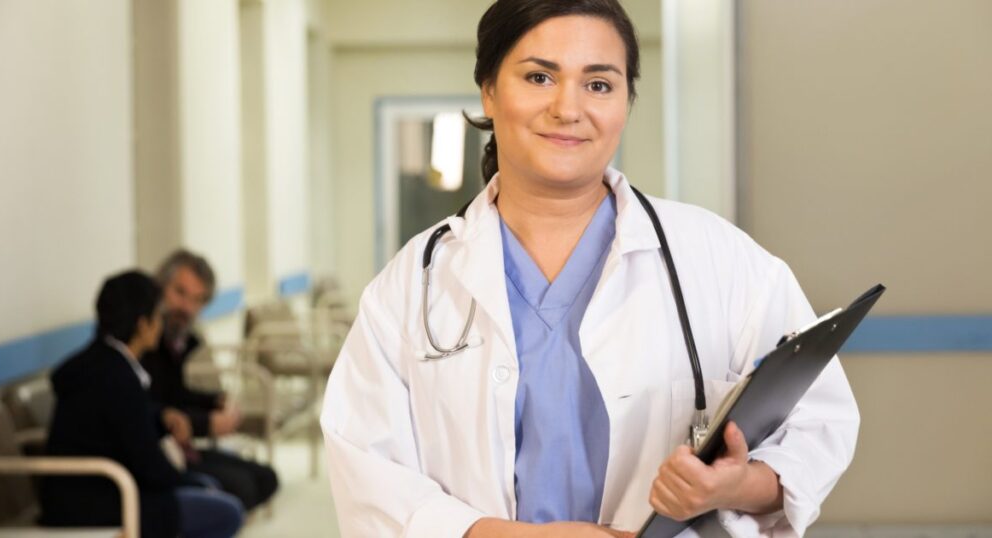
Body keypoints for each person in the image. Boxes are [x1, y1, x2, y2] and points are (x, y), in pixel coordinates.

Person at [319, 0, 860, 537]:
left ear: (626, 100)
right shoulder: (412, 283)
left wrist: (735, 486)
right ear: (488, 89)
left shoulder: (719, 258)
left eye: (598, 84)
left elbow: (819, 422)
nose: (567, 108)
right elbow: (367, 471)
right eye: (538, 77)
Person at [41, 270, 244, 538]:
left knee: (207, 488)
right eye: (158, 316)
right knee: (226, 511)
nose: (161, 324)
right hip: (99, 502)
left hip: (82, 495)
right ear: (142, 324)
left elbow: (122, 421)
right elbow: (151, 466)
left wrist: (161, 416)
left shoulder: (100, 363)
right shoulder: (117, 377)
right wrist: (189, 482)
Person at [140, 249, 279, 511]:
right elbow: (150, 408)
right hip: (159, 455)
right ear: (159, 288)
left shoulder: (180, 340)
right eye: (179, 293)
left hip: (179, 446)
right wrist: (205, 424)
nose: (186, 308)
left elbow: (173, 394)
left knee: (266, 478)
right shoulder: (141, 344)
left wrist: (215, 402)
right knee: (242, 490)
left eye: (197, 300)